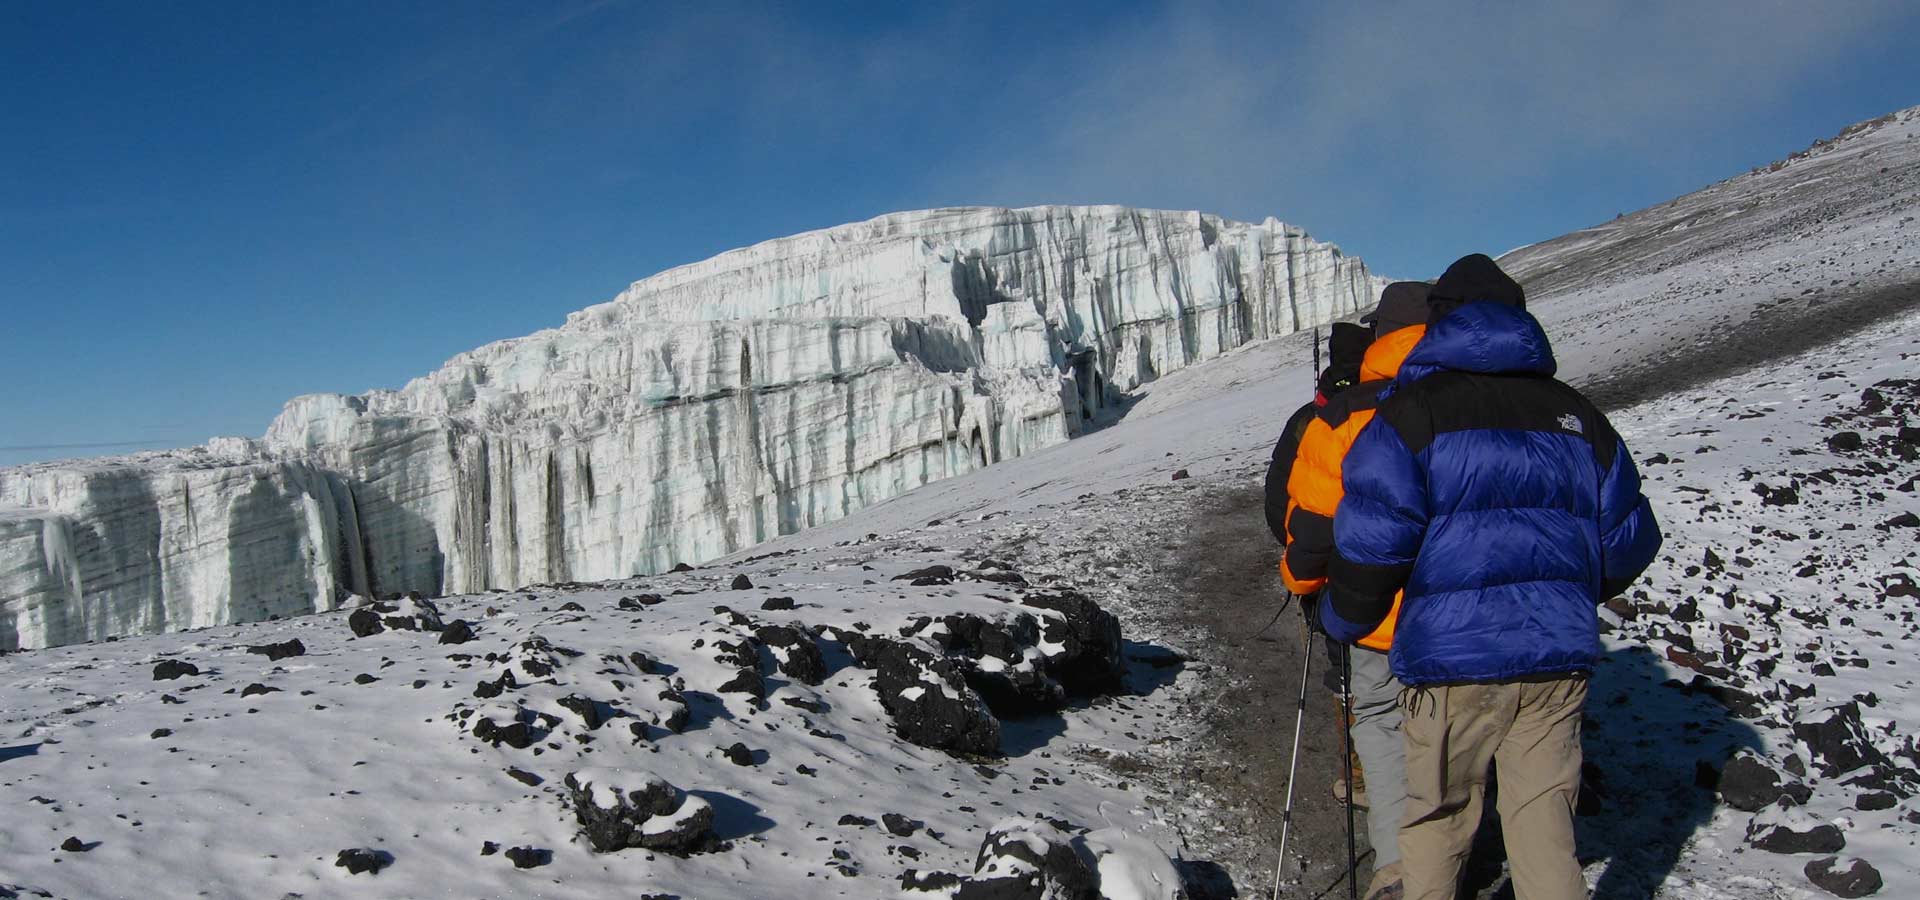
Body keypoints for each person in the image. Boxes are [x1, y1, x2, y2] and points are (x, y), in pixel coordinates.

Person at [1323, 254, 1662, 900]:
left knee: (1437, 822)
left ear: (1439, 325)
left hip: (1453, 664)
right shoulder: (1577, 415)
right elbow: (1630, 540)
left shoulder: (1412, 415)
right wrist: (1565, 590)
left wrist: (1346, 618)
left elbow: (1373, 541)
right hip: (1556, 663)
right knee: (1543, 825)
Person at [1281, 281, 1431, 900]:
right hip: (1461, 613)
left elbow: (1308, 519)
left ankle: (1399, 865)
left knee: (1378, 717)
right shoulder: (1470, 399)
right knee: (1451, 731)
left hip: (1373, 609)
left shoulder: (1345, 414)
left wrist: (1303, 583)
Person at [1263, 321, 1372, 544]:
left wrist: (1296, 545)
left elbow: (1277, 496)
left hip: (1309, 548)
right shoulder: (1384, 414)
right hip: (1357, 552)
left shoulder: (1305, 419)